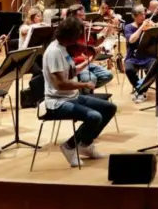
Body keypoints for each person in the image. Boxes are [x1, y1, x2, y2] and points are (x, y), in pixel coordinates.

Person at [42, 17, 117, 166]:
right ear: (70, 36)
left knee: (109, 108)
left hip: (71, 97)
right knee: (94, 116)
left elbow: (71, 72)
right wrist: (84, 84)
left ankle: (85, 144)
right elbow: (60, 84)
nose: (79, 41)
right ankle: (69, 146)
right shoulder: (54, 52)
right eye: (78, 37)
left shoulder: (63, 48)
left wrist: (91, 59)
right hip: (57, 102)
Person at [65, 5, 114, 90]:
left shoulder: (85, 30)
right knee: (91, 79)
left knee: (108, 75)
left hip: (87, 63)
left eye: (83, 16)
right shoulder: (68, 32)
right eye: (80, 16)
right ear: (72, 17)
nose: (83, 20)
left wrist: (106, 34)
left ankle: (84, 91)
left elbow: (94, 44)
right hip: (76, 65)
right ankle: (84, 92)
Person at [123, 5, 157, 103]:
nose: (143, 16)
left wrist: (154, 27)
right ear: (134, 16)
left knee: (154, 69)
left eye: (144, 14)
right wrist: (142, 27)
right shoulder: (128, 27)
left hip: (148, 55)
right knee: (129, 69)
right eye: (141, 14)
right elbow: (132, 40)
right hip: (133, 57)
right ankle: (141, 90)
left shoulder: (149, 25)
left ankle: (141, 90)